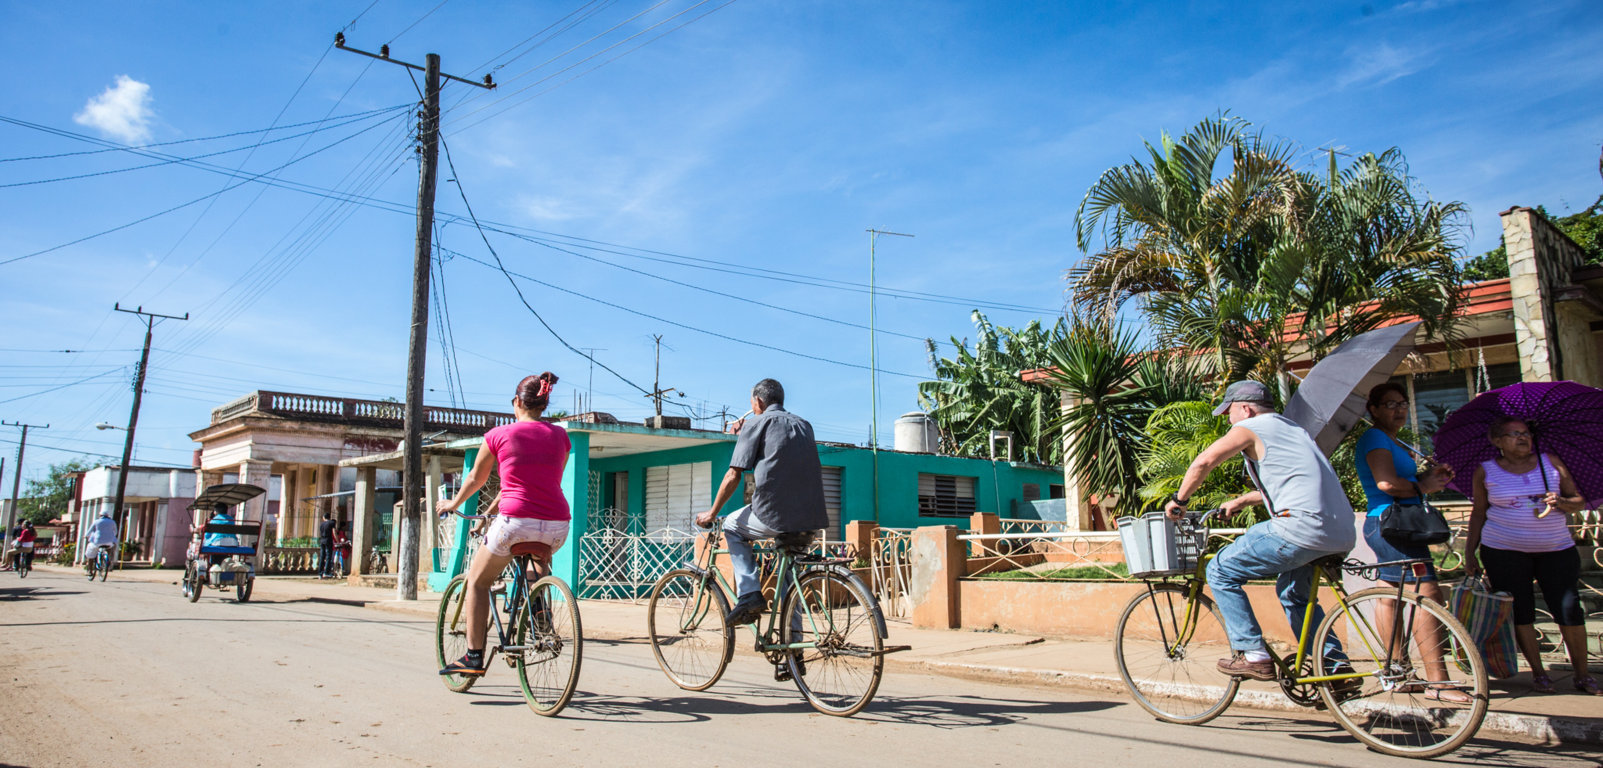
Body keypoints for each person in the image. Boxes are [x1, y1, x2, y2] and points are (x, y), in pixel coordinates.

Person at [1164, 380, 1355, 681]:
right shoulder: (1295, 431)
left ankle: (1252, 654)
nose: (1228, 421)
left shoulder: (1250, 427)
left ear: (1246, 409)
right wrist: (1242, 500)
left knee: (1219, 570)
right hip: (1341, 531)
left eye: (1228, 413)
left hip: (1300, 529)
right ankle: (1333, 667)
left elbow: (1204, 462)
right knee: (1293, 595)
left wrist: (1179, 500)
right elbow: (1296, 484)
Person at [436, 373, 570, 676]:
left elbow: (476, 478)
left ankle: (473, 657)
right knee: (536, 566)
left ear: (516, 402)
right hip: (557, 523)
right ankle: (539, 614)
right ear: (544, 405)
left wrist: (453, 504)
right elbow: (548, 480)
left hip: (515, 522)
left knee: (477, 581)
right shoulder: (560, 437)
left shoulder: (498, 434)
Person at [1353, 382, 1470, 702]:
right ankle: (1438, 681)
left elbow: (1403, 481)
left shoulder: (1392, 440)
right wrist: (1423, 486)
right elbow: (1386, 483)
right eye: (1390, 404)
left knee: (1390, 596)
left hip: (1394, 525)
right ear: (1373, 410)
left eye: (1403, 403)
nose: (1399, 409)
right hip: (1393, 525)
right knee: (1426, 594)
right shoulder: (1376, 438)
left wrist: (1427, 477)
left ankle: (1399, 674)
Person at [1465, 416, 1599, 696]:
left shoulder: (1551, 462)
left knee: (1569, 609)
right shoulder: (1486, 471)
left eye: (1526, 433)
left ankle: (1582, 675)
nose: (1523, 438)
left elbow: (1577, 501)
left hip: (1556, 550)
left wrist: (1561, 502)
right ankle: (1539, 674)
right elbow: (1478, 513)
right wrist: (1470, 553)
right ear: (1497, 441)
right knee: (1521, 611)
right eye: (1514, 434)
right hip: (1503, 550)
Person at [695, 378, 828, 636]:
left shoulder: (756, 423)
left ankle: (749, 594)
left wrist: (712, 513)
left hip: (775, 515)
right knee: (790, 581)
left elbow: (733, 475)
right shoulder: (804, 425)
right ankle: (793, 648)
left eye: (752, 403)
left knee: (731, 526)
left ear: (758, 401)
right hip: (811, 518)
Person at [317, 511, 337, 579]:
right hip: (328, 540)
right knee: (328, 556)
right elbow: (334, 532)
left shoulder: (322, 524)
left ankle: (320, 573)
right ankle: (326, 572)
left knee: (322, 557)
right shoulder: (332, 523)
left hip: (322, 540)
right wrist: (337, 540)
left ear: (324, 517)